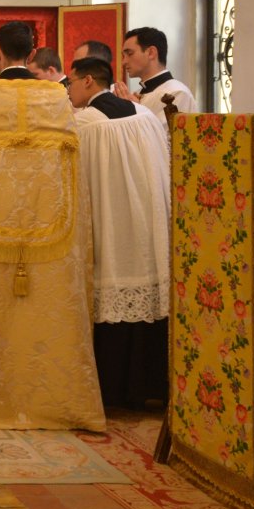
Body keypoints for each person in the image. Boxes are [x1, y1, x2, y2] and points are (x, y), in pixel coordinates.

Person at [0, 36, 103, 432]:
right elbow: (73, 174)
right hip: (50, 225)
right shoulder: (55, 99)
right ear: (33, 54)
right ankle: (58, 401)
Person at [67, 57, 171, 409]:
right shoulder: (144, 115)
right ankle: (151, 387)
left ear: (89, 81)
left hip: (112, 224)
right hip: (147, 223)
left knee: (113, 281)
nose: (68, 90)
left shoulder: (85, 124)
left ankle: (114, 391)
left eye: (71, 82)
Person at [120, 27, 196, 113]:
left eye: (130, 54)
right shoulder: (137, 94)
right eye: (124, 56)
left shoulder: (176, 93)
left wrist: (135, 109)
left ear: (151, 53)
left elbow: (165, 123)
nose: (124, 62)